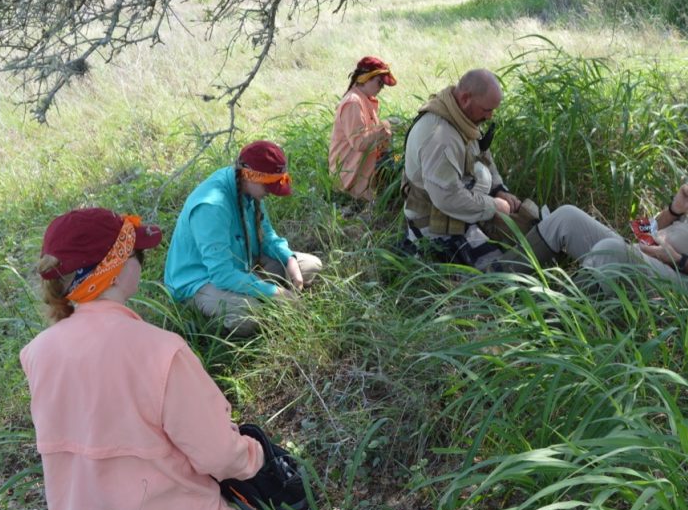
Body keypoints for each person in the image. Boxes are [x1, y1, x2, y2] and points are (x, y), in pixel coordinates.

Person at [21, 208, 266, 510]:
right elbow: (220, 456)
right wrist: (257, 454)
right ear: (117, 269)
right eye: (137, 254)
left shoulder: (38, 353)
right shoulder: (161, 351)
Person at [510, 125, 688, 299]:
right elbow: (642, 235)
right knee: (566, 217)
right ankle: (494, 279)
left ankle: (551, 316)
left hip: (686, 288)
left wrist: (680, 261)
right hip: (645, 259)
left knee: (609, 250)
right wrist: (673, 210)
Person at [163, 140, 323, 336]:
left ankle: (256, 295)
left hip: (243, 264)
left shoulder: (248, 189)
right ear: (251, 176)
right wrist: (274, 293)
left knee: (310, 266)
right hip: (200, 281)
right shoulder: (212, 206)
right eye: (268, 187)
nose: (271, 194)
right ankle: (203, 325)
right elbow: (221, 274)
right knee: (250, 314)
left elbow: (267, 236)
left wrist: (289, 259)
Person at [402, 68, 526, 270]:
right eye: (487, 110)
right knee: (502, 270)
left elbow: (482, 154)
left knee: (523, 233)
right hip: (436, 223)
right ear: (467, 98)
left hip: (462, 204)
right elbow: (448, 199)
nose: (490, 116)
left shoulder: (462, 116)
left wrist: (499, 190)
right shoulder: (441, 137)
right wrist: (492, 206)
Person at [328, 56, 397, 202]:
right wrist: (385, 126)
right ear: (365, 78)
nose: (381, 88)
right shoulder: (353, 102)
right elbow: (359, 143)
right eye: (379, 83)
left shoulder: (363, 100)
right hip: (349, 178)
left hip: (360, 170)